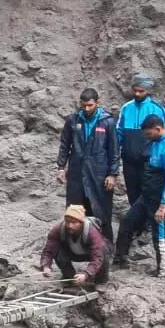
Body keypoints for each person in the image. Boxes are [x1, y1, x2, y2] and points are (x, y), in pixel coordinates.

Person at [114, 114, 165, 278]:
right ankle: (119, 259)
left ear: (158, 129)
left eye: (148, 134)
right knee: (128, 221)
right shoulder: (156, 141)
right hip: (146, 194)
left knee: (159, 233)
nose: (147, 138)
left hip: (159, 198)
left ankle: (162, 271)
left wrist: (163, 205)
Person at [56, 87, 120, 235]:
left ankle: (105, 251)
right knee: (75, 212)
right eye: (83, 105)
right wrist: (61, 167)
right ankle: (75, 250)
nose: (86, 108)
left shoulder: (107, 122)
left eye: (90, 105)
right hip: (77, 173)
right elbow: (65, 144)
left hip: (99, 174)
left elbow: (114, 150)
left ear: (97, 102)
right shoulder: (73, 120)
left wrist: (113, 174)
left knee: (101, 212)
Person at [116, 73, 165, 208]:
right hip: (129, 160)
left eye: (141, 91)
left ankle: (148, 224)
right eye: (135, 90)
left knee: (149, 193)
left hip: (149, 161)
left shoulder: (157, 109)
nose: (138, 94)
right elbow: (119, 133)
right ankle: (136, 225)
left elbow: (164, 135)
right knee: (132, 193)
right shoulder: (126, 108)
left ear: (148, 91)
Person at [39, 204, 109, 286]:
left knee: (103, 251)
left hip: (91, 253)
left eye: (74, 222)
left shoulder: (92, 232)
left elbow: (97, 257)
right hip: (72, 252)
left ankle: (101, 281)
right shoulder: (58, 229)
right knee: (58, 251)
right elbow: (49, 250)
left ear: (81, 223)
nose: (70, 225)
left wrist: (86, 274)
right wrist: (46, 266)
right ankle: (69, 277)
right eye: (67, 222)